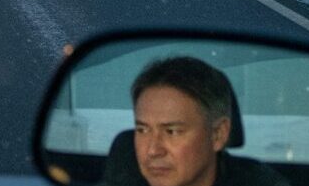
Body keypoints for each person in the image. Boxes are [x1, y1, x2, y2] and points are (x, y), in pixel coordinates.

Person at [100, 56, 289, 186]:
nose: (153, 150)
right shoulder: (123, 176)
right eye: (143, 130)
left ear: (218, 134)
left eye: (171, 131)